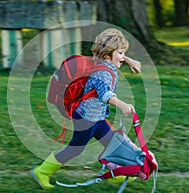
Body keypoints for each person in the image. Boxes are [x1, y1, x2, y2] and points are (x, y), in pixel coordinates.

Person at [31, 28, 142, 189]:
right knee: (75, 149)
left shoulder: (103, 63)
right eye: (121, 53)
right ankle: (42, 171)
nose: (122, 57)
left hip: (96, 117)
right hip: (86, 119)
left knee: (112, 142)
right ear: (108, 54)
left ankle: (116, 174)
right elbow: (105, 94)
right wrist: (123, 105)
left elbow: (111, 53)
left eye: (123, 53)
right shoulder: (103, 72)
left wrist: (127, 59)